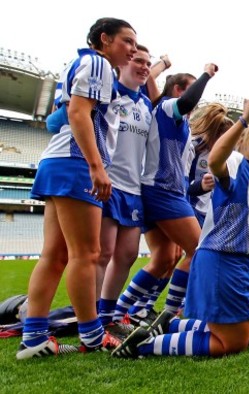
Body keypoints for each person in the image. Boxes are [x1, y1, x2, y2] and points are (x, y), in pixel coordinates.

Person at [17, 18, 137, 360]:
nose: (130, 49)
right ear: (104, 39)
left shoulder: (81, 62)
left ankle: (34, 338)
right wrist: (97, 167)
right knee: (84, 254)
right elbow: (79, 114)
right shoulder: (98, 62)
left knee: (54, 256)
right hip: (75, 162)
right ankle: (93, 335)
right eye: (126, 41)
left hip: (57, 160)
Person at [113, 99, 249, 358]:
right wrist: (244, 119)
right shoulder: (234, 161)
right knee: (231, 343)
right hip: (224, 257)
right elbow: (216, 158)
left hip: (241, 261)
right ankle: (142, 345)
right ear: (245, 136)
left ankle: (170, 323)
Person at [112, 64, 218, 325]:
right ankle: (169, 315)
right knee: (199, 250)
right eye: (192, 88)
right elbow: (188, 100)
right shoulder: (170, 106)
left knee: (165, 259)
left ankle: (122, 312)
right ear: (179, 89)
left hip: (161, 190)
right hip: (164, 191)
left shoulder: (175, 118)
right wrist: (207, 74)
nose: (197, 99)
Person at [96, 45, 153, 336]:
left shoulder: (145, 105)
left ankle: (108, 313)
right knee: (103, 253)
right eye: (138, 61)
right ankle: (92, 318)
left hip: (134, 188)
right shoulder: (108, 94)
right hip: (108, 182)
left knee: (128, 254)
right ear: (124, 63)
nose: (144, 66)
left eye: (148, 63)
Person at [186, 103, 234, 227]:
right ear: (214, 134)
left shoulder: (231, 156)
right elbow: (180, 185)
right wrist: (201, 186)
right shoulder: (194, 147)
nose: (227, 146)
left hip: (211, 215)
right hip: (190, 209)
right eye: (225, 140)